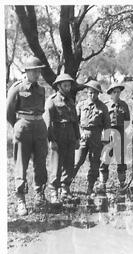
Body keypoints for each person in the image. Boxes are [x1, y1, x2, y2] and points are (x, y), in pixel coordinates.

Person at [7, 56, 48, 216]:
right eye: (34, 71)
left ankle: (40, 193)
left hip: (39, 127)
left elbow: (41, 109)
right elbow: (9, 112)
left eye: (39, 70)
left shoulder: (41, 89)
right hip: (23, 127)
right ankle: (21, 200)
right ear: (27, 71)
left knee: (40, 162)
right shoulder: (17, 88)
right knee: (21, 164)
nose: (37, 73)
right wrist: (18, 125)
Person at [44, 74, 80, 205]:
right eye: (65, 85)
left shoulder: (71, 101)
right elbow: (47, 123)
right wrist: (51, 140)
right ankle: (54, 193)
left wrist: (77, 138)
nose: (68, 87)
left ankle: (65, 191)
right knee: (56, 166)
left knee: (69, 165)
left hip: (70, 136)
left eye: (69, 85)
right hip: (58, 137)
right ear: (58, 86)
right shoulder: (51, 101)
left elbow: (75, 121)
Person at [73, 80, 111, 196]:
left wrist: (105, 140)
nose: (92, 95)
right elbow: (75, 122)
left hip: (96, 137)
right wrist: (80, 133)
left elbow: (107, 125)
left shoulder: (103, 107)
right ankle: (65, 187)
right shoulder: (81, 105)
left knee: (94, 164)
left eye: (94, 93)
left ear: (98, 93)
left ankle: (90, 187)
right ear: (86, 93)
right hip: (82, 136)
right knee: (77, 162)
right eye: (90, 93)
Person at [99, 83, 130, 192]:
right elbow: (101, 121)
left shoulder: (124, 105)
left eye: (118, 92)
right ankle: (102, 183)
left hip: (120, 133)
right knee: (105, 158)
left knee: (121, 159)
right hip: (108, 132)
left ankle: (122, 183)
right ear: (110, 94)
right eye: (114, 92)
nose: (117, 94)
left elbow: (127, 120)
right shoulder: (105, 105)